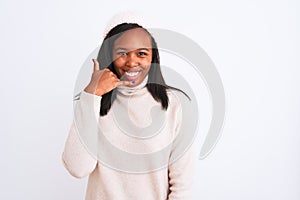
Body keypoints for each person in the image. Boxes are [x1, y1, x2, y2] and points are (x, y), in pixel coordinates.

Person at [62, 22, 195, 200]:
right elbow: (77, 168)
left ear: (153, 57)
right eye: (122, 53)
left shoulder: (176, 105)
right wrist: (91, 93)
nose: (132, 62)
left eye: (141, 53)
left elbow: (182, 187)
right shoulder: (92, 102)